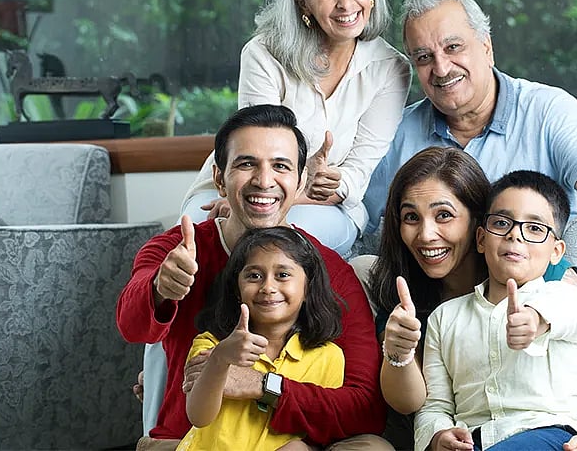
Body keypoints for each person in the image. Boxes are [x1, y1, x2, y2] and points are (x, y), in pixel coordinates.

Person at [117, 104, 388, 450]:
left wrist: (264, 385)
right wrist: (160, 289)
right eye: (246, 164)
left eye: (281, 166)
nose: (264, 180)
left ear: (301, 180)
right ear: (218, 178)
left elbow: (364, 407)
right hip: (193, 439)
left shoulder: (330, 269)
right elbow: (131, 326)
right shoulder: (177, 249)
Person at [415, 170, 577, 451]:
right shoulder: (445, 318)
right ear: (481, 239)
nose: (514, 235)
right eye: (502, 223)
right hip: (475, 441)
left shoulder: (565, 295)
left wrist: (534, 319)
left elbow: (560, 313)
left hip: (552, 435)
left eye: (534, 228)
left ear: (556, 251)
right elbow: (435, 405)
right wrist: (438, 436)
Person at [182, 0, 411, 257]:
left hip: (327, 205)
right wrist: (246, 200)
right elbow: (254, 149)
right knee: (196, 229)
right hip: (243, 186)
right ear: (303, 0)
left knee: (274, 242)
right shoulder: (263, 54)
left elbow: (357, 175)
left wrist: (313, 188)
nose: (346, 3)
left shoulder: (391, 68)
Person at [363, 147, 577, 446]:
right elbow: (417, 403)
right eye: (411, 217)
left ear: (477, 224)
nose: (426, 234)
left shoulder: (549, 280)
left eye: (444, 215)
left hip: (556, 434)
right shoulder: (416, 306)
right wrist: (398, 353)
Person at [362, 0, 577, 237]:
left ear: (486, 47)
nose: (441, 69)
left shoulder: (548, 110)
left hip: (535, 285)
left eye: (453, 47)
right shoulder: (395, 131)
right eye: (424, 57)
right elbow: (362, 225)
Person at [179, 227, 345, 451]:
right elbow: (198, 416)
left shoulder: (328, 356)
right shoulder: (211, 344)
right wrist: (220, 360)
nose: (268, 287)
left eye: (283, 275)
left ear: (308, 288)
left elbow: (321, 427)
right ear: (237, 289)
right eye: (254, 276)